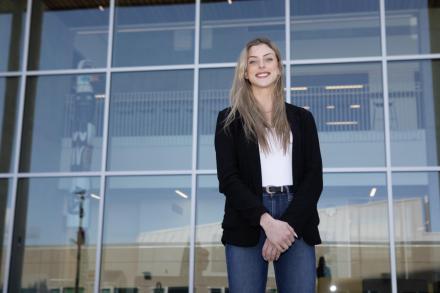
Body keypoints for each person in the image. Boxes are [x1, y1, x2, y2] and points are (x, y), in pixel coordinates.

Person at [214, 37, 323, 293]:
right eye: (253, 61)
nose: (261, 66)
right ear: (246, 73)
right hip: (247, 217)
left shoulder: (302, 118)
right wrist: (267, 222)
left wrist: (285, 227)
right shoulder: (229, 120)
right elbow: (228, 179)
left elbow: (314, 177)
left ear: (279, 67)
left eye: (268, 59)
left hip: (296, 217)